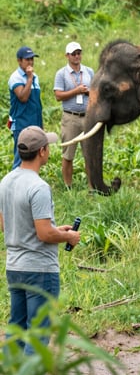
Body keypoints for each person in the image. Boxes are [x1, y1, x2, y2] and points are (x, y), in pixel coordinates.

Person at [0, 125, 81, 354]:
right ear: (42, 151)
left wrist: (55, 230)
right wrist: (68, 236)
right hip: (39, 270)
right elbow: (44, 234)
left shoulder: (6, 181)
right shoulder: (39, 187)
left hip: (14, 267)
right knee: (38, 335)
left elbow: (5, 224)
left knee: (17, 330)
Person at [53, 42, 94, 189]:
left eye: (79, 53)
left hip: (87, 117)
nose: (77, 56)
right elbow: (58, 95)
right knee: (68, 154)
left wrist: (88, 92)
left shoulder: (89, 71)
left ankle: (92, 187)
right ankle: (68, 186)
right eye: (73, 54)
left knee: (89, 155)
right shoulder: (61, 73)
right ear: (67, 56)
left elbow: (96, 92)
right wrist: (76, 91)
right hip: (70, 118)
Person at [8, 46, 43, 170]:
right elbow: (23, 97)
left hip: (34, 122)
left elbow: (37, 103)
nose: (31, 62)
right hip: (21, 123)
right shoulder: (16, 77)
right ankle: (15, 180)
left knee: (34, 156)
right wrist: (29, 79)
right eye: (27, 59)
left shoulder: (35, 77)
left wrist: (40, 124)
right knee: (21, 157)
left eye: (32, 59)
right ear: (19, 61)